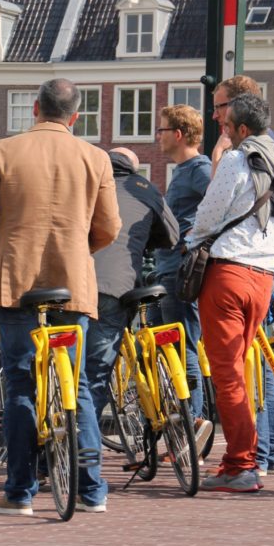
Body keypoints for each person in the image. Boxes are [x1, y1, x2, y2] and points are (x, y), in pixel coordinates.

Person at [0, 78, 121, 516]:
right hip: (73, 286)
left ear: (35, 109)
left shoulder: (4, 151)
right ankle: (91, 490)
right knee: (77, 384)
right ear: (75, 116)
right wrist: (81, 251)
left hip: (17, 287)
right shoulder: (95, 157)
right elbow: (110, 227)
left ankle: (20, 492)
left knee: (21, 385)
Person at [191, 94, 274, 493]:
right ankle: (248, 458)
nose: (222, 132)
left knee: (227, 374)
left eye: (226, 127)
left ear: (242, 130)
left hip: (228, 275)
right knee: (241, 369)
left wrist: (191, 240)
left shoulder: (238, 161)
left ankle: (241, 464)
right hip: (265, 277)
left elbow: (209, 215)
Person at [85, 148, 178, 434]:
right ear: (133, 169)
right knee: (94, 375)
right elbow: (172, 236)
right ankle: (80, 451)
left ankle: (48, 452)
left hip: (72, 284)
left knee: (66, 369)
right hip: (116, 287)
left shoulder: (84, 183)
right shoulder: (144, 189)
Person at [151, 104, 213, 446]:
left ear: (177, 134)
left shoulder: (199, 170)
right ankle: (183, 424)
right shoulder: (184, 172)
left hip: (179, 272)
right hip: (167, 270)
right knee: (169, 346)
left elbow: (224, 206)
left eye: (161, 130)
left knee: (182, 344)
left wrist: (193, 243)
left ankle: (193, 425)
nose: (157, 136)